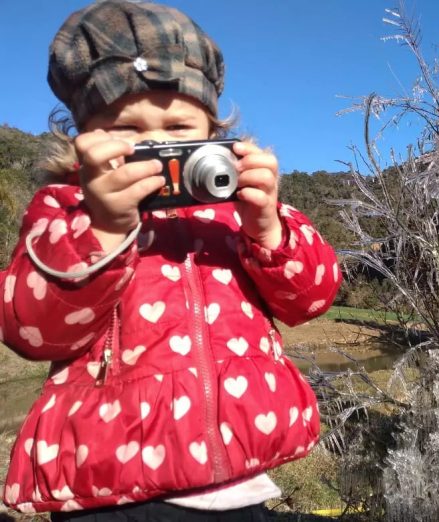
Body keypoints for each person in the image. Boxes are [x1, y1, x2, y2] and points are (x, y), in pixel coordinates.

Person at [0, 1, 341, 520]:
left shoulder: (237, 213)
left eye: (179, 126)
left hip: (244, 483)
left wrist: (268, 226)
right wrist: (104, 228)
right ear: (83, 138)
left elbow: (311, 300)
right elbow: (31, 329)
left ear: (213, 131)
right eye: (127, 128)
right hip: (111, 490)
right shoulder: (65, 212)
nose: (157, 143)